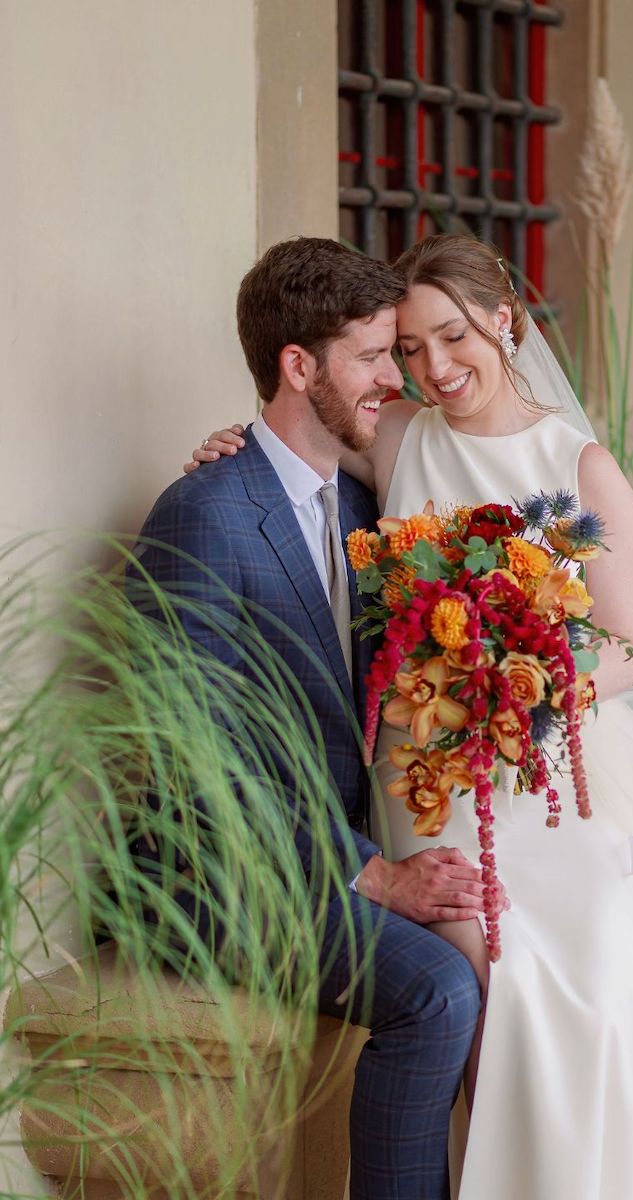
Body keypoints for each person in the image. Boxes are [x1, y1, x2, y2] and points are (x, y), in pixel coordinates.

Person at [187, 234, 633, 1199]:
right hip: (432, 781)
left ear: (505, 321)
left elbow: (627, 646)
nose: (434, 368)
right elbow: (298, 440)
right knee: (497, 975)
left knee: (590, 981)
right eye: (412, 348)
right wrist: (228, 444)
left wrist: (518, 679)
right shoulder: (396, 441)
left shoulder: (580, 469)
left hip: (551, 768)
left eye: (453, 337)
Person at [130, 237, 502, 1200]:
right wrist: (374, 874)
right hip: (219, 878)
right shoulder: (202, 514)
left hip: (326, 842)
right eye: (374, 357)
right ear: (298, 366)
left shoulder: (356, 508)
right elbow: (194, 764)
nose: (398, 379)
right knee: (437, 990)